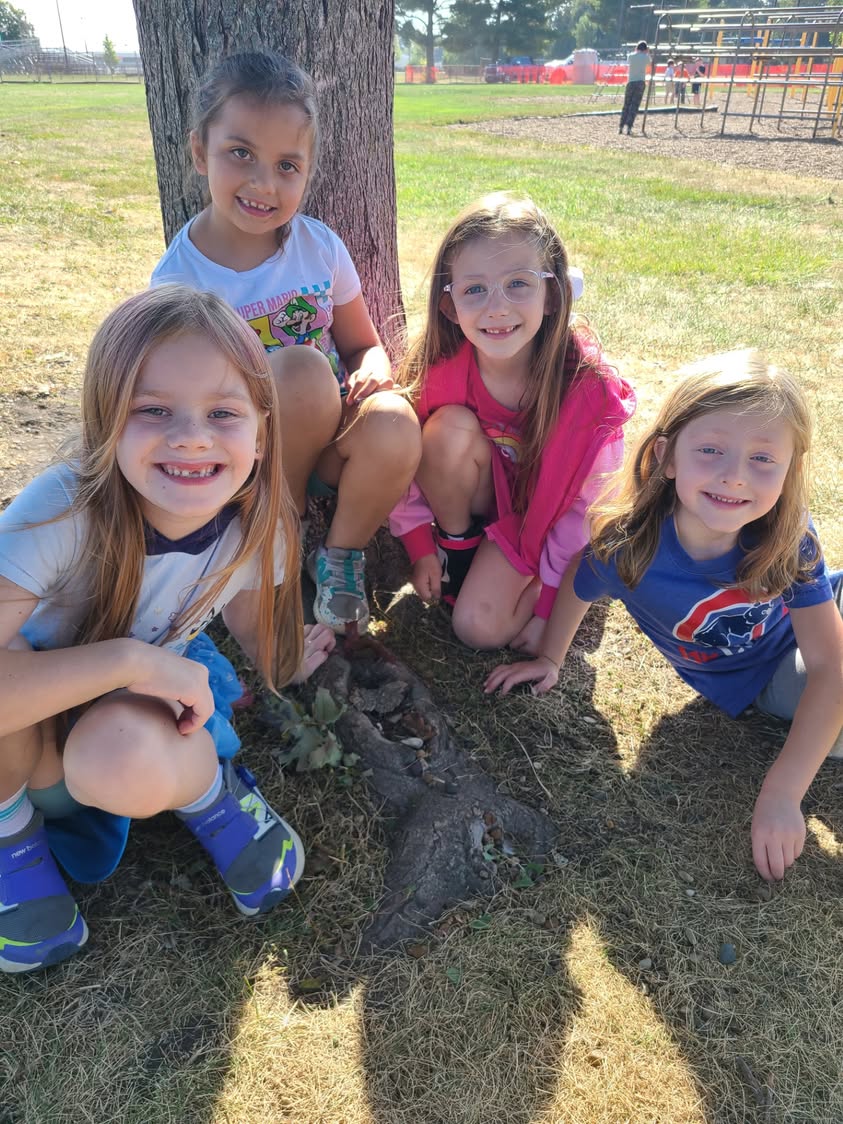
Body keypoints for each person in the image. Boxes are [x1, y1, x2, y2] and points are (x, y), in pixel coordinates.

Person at [0, 285, 337, 973]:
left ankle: (213, 799)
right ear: (105, 422)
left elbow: (249, 620)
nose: (190, 435)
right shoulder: (57, 513)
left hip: (140, 725)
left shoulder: (257, 527)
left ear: (261, 429)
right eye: (153, 411)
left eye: (222, 412)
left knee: (116, 759)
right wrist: (131, 660)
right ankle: (11, 843)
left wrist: (289, 659)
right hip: (22, 739)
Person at [486, 352, 843, 884]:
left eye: (764, 459)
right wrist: (550, 656)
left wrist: (781, 794)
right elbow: (581, 583)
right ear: (667, 456)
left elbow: (829, 662)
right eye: (711, 450)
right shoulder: (628, 550)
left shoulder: (790, 539)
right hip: (764, 676)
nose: (734, 476)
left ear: (790, 471)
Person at [151, 50, 421, 635]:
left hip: (328, 434)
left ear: (308, 171)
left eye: (287, 165)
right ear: (200, 151)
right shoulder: (180, 281)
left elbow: (360, 344)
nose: (263, 183)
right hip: (242, 462)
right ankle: (280, 533)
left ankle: (338, 556)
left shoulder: (319, 247)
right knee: (297, 367)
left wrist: (374, 366)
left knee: (396, 422)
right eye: (240, 154)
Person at [389, 192, 636, 674]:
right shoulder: (438, 372)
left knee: (478, 629)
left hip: (550, 527)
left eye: (518, 284)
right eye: (475, 290)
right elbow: (406, 466)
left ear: (554, 295)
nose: (496, 309)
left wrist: (548, 604)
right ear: (449, 304)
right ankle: (457, 553)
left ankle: (511, 577)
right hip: (484, 503)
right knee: (445, 432)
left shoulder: (590, 392)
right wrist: (419, 545)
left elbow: (588, 511)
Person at [620, 41, 650, 136]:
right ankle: (629, 127)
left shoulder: (631, 56)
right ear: (645, 49)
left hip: (631, 82)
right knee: (634, 106)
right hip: (640, 82)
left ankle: (621, 126)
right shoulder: (646, 57)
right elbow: (650, 62)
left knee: (626, 104)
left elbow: (629, 60)